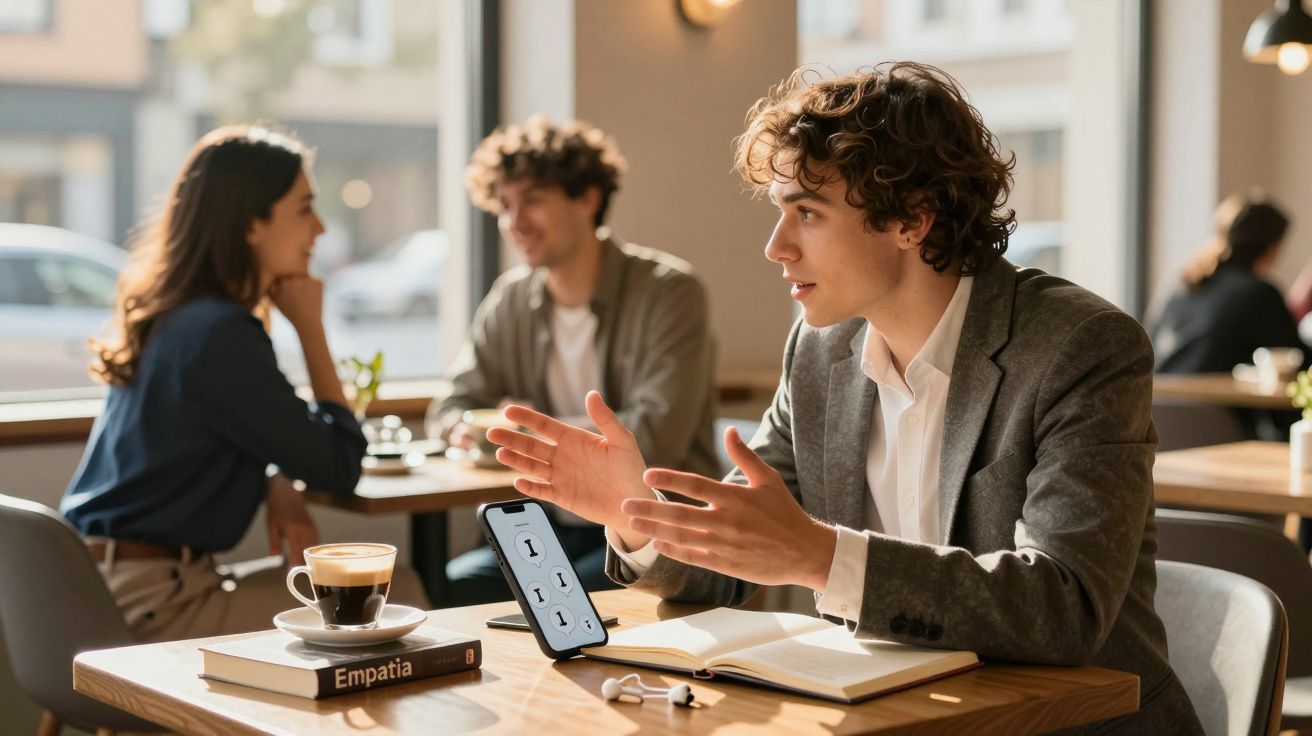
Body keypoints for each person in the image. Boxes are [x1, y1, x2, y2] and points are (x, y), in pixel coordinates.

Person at [487, 64, 1200, 732]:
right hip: (898, 718)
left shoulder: (1080, 347)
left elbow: (1064, 607)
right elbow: (736, 556)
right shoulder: (821, 352)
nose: (776, 247)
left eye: (808, 213)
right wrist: (635, 515)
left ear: (911, 221)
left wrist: (824, 559)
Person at [61, 125, 426, 642]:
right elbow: (341, 463)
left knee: (365, 597)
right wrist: (311, 328)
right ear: (251, 224)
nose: (320, 229)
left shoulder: (179, 317)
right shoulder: (222, 334)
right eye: (304, 209)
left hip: (94, 592)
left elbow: (210, 434)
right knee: (399, 593)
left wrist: (273, 478)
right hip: (156, 606)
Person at [425, 115, 718, 606]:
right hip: (545, 523)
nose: (515, 222)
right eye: (504, 205)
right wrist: (463, 427)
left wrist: (530, 433)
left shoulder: (669, 292)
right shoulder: (511, 299)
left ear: (587, 199)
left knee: (569, 595)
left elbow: (655, 433)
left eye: (533, 200)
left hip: (651, 529)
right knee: (458, 584)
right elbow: (450, 405)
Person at [1150, 191, 1307, 440]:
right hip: (1214, 428)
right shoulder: (1258, 293)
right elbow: (1301, 364)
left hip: (1159, 426)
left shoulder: (1186, 286)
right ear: (1273, 248)